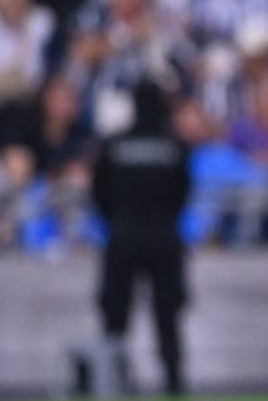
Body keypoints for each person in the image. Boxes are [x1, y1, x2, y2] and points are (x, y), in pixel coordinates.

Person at [92, 78, 191, 395]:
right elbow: (183, 192)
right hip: (163, 235)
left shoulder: (114, 145)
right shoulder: (173, 146)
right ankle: (173, 381)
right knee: (167, 314)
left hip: (123, 235)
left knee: (115, 315)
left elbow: (99, 193)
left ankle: (114, 379)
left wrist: (119, 221)